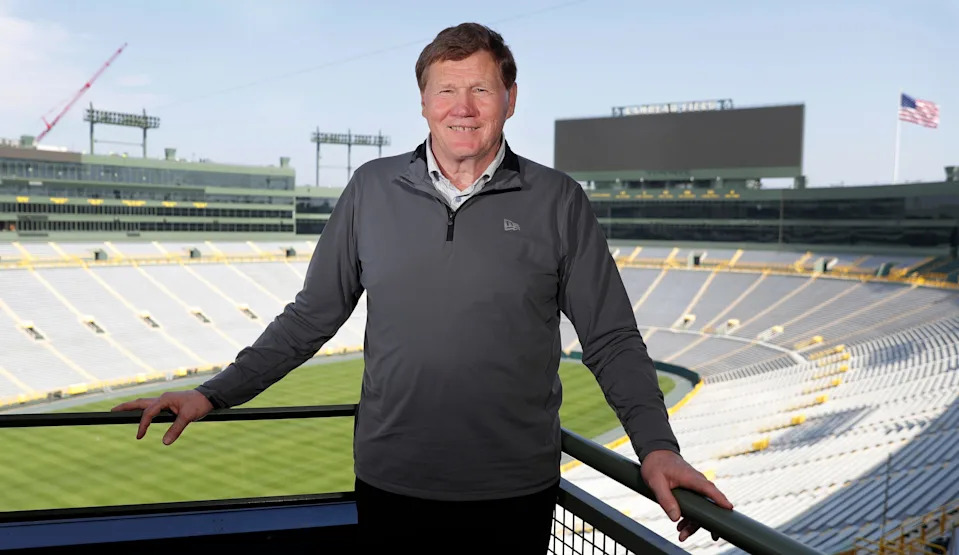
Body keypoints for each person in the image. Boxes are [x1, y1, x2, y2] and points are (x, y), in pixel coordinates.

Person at [112, 22, 733, 552]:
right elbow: (310, 319)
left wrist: (656, 445)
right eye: (447, 90)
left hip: (512, 493)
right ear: (424, 102)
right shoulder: (370, 188)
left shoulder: (558, 200)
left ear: (510, 99)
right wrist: (213, 395)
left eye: (481, 89)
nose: (463, 107)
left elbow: (611, 337)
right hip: (391, 485)